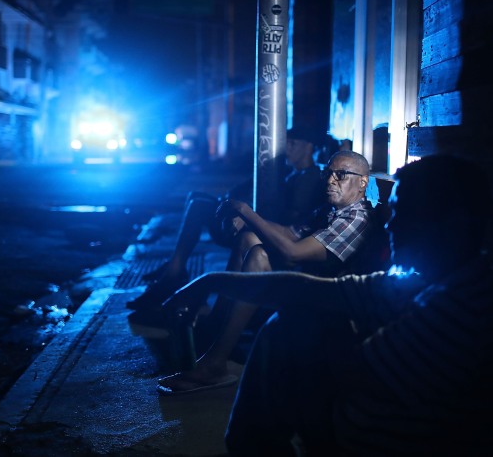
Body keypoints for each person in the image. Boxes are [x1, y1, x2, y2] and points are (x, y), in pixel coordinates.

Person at [163, 154, 493, 455]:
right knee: (296, 314)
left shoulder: (462, 307)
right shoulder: (428, 278)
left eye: (406, 212)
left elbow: (354, 372)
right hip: (358, 422)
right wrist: (207, 281)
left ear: (453, 224)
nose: (392, 225)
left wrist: (309, 333)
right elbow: (308, 289)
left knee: (295, 328)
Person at [156, 150, 378, 395]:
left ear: (363, 182)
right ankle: (217, 330)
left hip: (330, 297)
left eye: (341, 175)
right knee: (248, 239)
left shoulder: (356, 217)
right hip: (310, 280)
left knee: (259, 258)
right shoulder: (332, 210)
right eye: (328, 173)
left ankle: (215, 362)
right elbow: (289, 232)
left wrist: (245, 211)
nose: (330, 180)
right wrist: (249, 221)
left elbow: (293, 252)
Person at [126, 126, 326, 312]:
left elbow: (289, 222)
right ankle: (176, 270)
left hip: (269, 235)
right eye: (286, 143)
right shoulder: (286, 172)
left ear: (309, 147)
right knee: (199, 199)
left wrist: (249, 217)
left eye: (293, 144)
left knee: (201, 206)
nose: (288, 148)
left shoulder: (308, 177)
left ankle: (177, 274)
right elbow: (242, 190)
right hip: (259, 225)